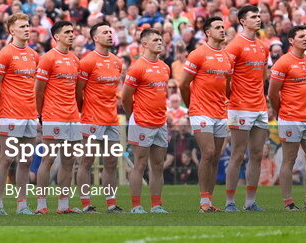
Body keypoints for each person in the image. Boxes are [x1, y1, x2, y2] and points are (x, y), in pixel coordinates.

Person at [268, 26, 306, 211]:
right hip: (290, 118)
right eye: (301, 36)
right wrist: (282, 112)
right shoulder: (282, 63)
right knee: (289, 159)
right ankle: (288, 203)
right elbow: (272, 94)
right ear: (292, 40)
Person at [179, 15, 232, 212]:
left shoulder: (226, 57)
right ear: (208, 32)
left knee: (215, 157)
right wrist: (191, 105)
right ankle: (203, 202)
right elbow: (183, 84)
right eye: (218, 27)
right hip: (201, 111)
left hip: (220, 111)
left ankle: (209, 201)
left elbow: (227, 86)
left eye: (223, 27)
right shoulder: (198, 54)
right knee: (208, 152)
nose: (222, 30)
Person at [0, 13, 39, 215]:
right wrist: (2, 107)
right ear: (12, 31)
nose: (27, 29)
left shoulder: (34, 55)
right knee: (7, 159)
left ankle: (22, 205)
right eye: (22, 26)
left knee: (26, 160)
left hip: (30, 113)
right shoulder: (4, 54)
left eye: (28, 26)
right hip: (11, 114)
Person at [223, 4, 270, 211]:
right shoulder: (234, 45)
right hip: (240, 106)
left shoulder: (263, 46)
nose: (258, 19)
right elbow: (225, 75)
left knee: (258, 154)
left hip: (259, 106)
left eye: (259, 16)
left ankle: (250, 202)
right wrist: (231, 97)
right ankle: (230, 201)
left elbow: (264, 76)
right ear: (243, 21)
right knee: (238, 154)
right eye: (253, 16)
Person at [34, 20, 82, 214]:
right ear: (56, 37)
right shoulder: (48, 58)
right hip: (53, 115)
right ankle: (41, 205)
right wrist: (40, 114)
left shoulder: (74, 60)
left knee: (69, 161)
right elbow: (38, 91)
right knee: (48, 159)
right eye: (67, 32)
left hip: (72, 116)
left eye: (73, 31)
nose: (72, 34)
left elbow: (77, 91)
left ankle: (63, 205)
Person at [122, 28, 172, 214]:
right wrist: (132, 115)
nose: (160, 42)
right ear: (144, 44)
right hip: (142, 121)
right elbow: (126, 97)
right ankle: (136, 206)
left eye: (161, 39)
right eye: (156, 40)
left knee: (158, 165)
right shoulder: (137, 67)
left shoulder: (165, 67)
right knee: (140, 164)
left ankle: (156, 205)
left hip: (160, 121)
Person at [76, 22, 124, 213]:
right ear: (95, 38)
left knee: (111, 162)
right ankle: (86, 204)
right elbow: (78, 91)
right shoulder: (87, 61)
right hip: (92, 118)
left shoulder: (117, 61)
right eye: (105, 32)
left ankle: (111, 204)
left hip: (112, 118)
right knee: (86, 162)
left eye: (110, 32)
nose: (109, 35)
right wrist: (85, 111)